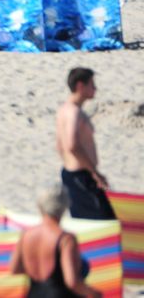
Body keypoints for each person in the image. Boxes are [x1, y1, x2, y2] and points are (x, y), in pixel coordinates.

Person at [10, 184, 102, 297]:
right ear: (64, 206)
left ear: (40, 205)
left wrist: (38, 269)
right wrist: (93, 293)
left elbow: (15, 269)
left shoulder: (26, 235)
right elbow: (72, 282)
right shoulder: (65, 239)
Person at [56, 67, 115, 221]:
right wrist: (94, 172)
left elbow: (59, 146)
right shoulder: (73, 112)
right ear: (81, 86)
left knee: (86, 221)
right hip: (81, 176)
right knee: (105, 221)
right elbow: (71, 145)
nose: (95, 88)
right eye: (92, 84)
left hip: (72, 174)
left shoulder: (63, 110)